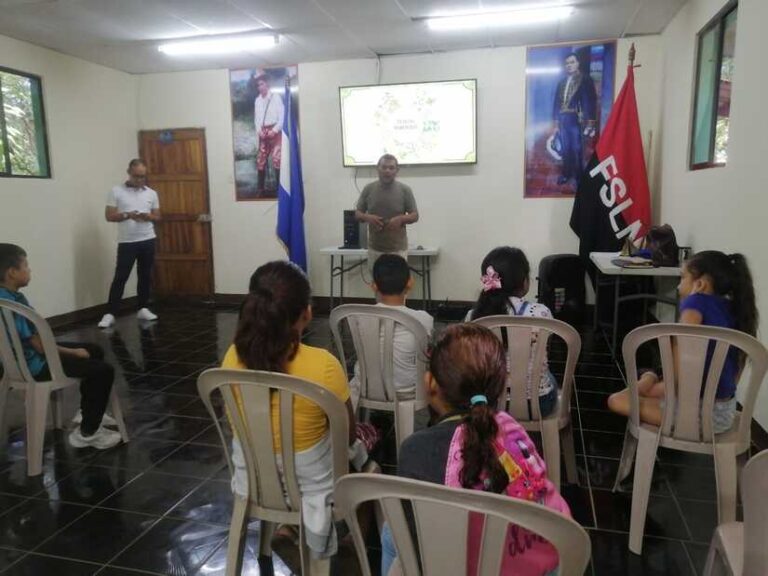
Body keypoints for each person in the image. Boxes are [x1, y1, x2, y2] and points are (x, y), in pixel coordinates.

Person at [382, 324, 570, 576]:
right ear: (500, 387)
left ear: (431, 383)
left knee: (390, 530)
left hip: (460, 566)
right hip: (541, 559)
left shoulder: (416, 449)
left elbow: (417, 541)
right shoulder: (512, 429)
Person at [222, 261, 368, 564]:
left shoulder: (232, 356)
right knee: (365, 457)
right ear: (307, 312)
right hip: (311, 487)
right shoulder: (324, 365)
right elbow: (348, 434)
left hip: (254, 482)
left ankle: (288, 529)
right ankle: (355, 546)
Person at [608, 251, 758, 433]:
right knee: (650, 392)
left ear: (700, 284)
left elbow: (682, 360)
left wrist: (662, 387)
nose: (679, 287)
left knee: (618, 400)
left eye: (682, 278)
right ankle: (650, 378)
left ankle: (649, 377)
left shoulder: (695, 302)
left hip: (694, 417)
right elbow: (735, 374)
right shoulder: (737, 310)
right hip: (725, 414)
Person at [0, 244, 122, 449]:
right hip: (34, 365)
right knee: (103, 371)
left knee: (94, 350)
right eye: (26, 266)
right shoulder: (14, 305)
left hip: (15, 360)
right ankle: (87, 433)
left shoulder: (8, 298)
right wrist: (73, 352)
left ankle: (87, 411)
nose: (30, 270)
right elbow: (39, 346)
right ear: (12, 272)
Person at [466, 247, 559, 418]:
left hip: (488, 403)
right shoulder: (541, 313)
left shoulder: (474, 316)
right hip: (538, 404)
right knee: (550, 377)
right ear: (524, 281)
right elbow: (548, 344)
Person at [348, 254, 434, 408]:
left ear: (373, 286)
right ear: (410, 283)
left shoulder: (358, 317)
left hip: (365, 385)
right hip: (407, 389)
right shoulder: (423, 319)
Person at [98, 158, 161, 329]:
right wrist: (127, 215)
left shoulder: (151, 193)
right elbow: (109, 216)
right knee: (121, 277)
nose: (140, 180)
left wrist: (148, 217)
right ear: (129, 173)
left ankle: (143, 307)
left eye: (143, 177)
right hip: (127, 242)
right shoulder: (116, 191)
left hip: (148, 239)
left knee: (145, 275)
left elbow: (157, 216)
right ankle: (110, 313)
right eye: (136, 176)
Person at [355, 154, 418, 268]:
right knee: (376, 285)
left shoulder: (405, 190)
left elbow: (415, 215)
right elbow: (357, 213)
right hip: (375, 249)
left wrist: (401, 219)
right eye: (384, 167)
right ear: (377, 168)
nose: (387, 171)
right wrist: (368, 217)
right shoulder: (368, 189)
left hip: (398, 250)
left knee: (398, 285)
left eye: (391, 168)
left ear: (397, 170)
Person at [552, 52, 597, 186]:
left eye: (572, 62)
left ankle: (579, 177)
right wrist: (555, 121)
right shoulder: (561, 82)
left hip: (577, 119)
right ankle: (566, 173)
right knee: (566, 147)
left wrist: (590, 122)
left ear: (578, 63)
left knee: (577, 148)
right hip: (563, 119)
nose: (569, 65)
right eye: (567, 63)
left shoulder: (585, 79)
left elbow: (590, 100)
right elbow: (556, 102)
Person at [253, 73, 285, 196]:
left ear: (267, 84)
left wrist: (275, 130)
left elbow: (282, 116)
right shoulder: (257, 100)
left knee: (277, 158)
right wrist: (259, 131)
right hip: (263, 131)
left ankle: (279, 189)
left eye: (262, 84)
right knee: (261, 159)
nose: (260, 87)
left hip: (274, 131)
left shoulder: (276, 97)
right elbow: (256, 119)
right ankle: (260, 189)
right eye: (258, 85)